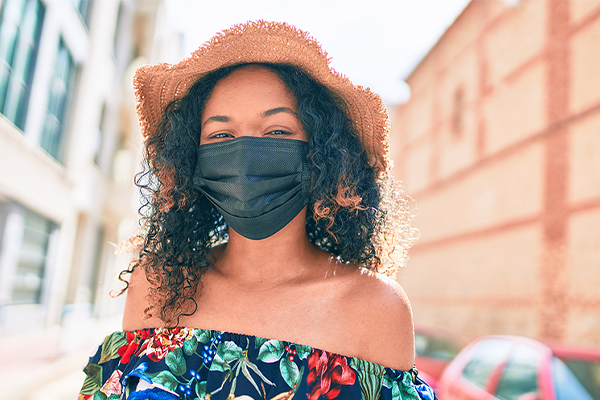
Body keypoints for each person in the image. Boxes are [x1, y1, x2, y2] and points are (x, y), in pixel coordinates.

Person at [78, 20, 435, 400]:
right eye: (221, 135)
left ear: (323, 154)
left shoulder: (376, 309)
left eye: (277, 132)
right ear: (192, 161)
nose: (245, 155)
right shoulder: (155, 288)